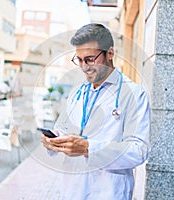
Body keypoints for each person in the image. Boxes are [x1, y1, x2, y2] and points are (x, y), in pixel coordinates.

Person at [41, 23, 151, 200]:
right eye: (79, 60)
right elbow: (61, 128)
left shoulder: (134, 94)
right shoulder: (77, 92)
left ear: (110, 53)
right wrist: (53, 139)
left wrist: (89, 148)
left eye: (90, 59)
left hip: (108, 191)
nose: (84, 67)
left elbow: (139, 150)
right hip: (73, 190)